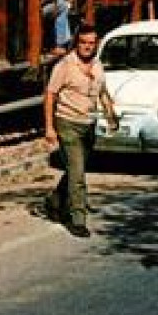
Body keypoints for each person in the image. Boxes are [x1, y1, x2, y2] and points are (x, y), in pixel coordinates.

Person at [43, 24, 117, 238]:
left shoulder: (97, 64)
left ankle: (54, 202)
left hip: (89, 124)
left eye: (91, 43)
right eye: (83, 43)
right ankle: (77, 218)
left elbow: (102, 91)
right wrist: (49, 128)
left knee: (76, 169)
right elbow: (50, 95)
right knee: (78, 174)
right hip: (67, 123)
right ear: (77, 43)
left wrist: (111, 114)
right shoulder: (64, 66)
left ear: (97, 43)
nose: (87, 47)